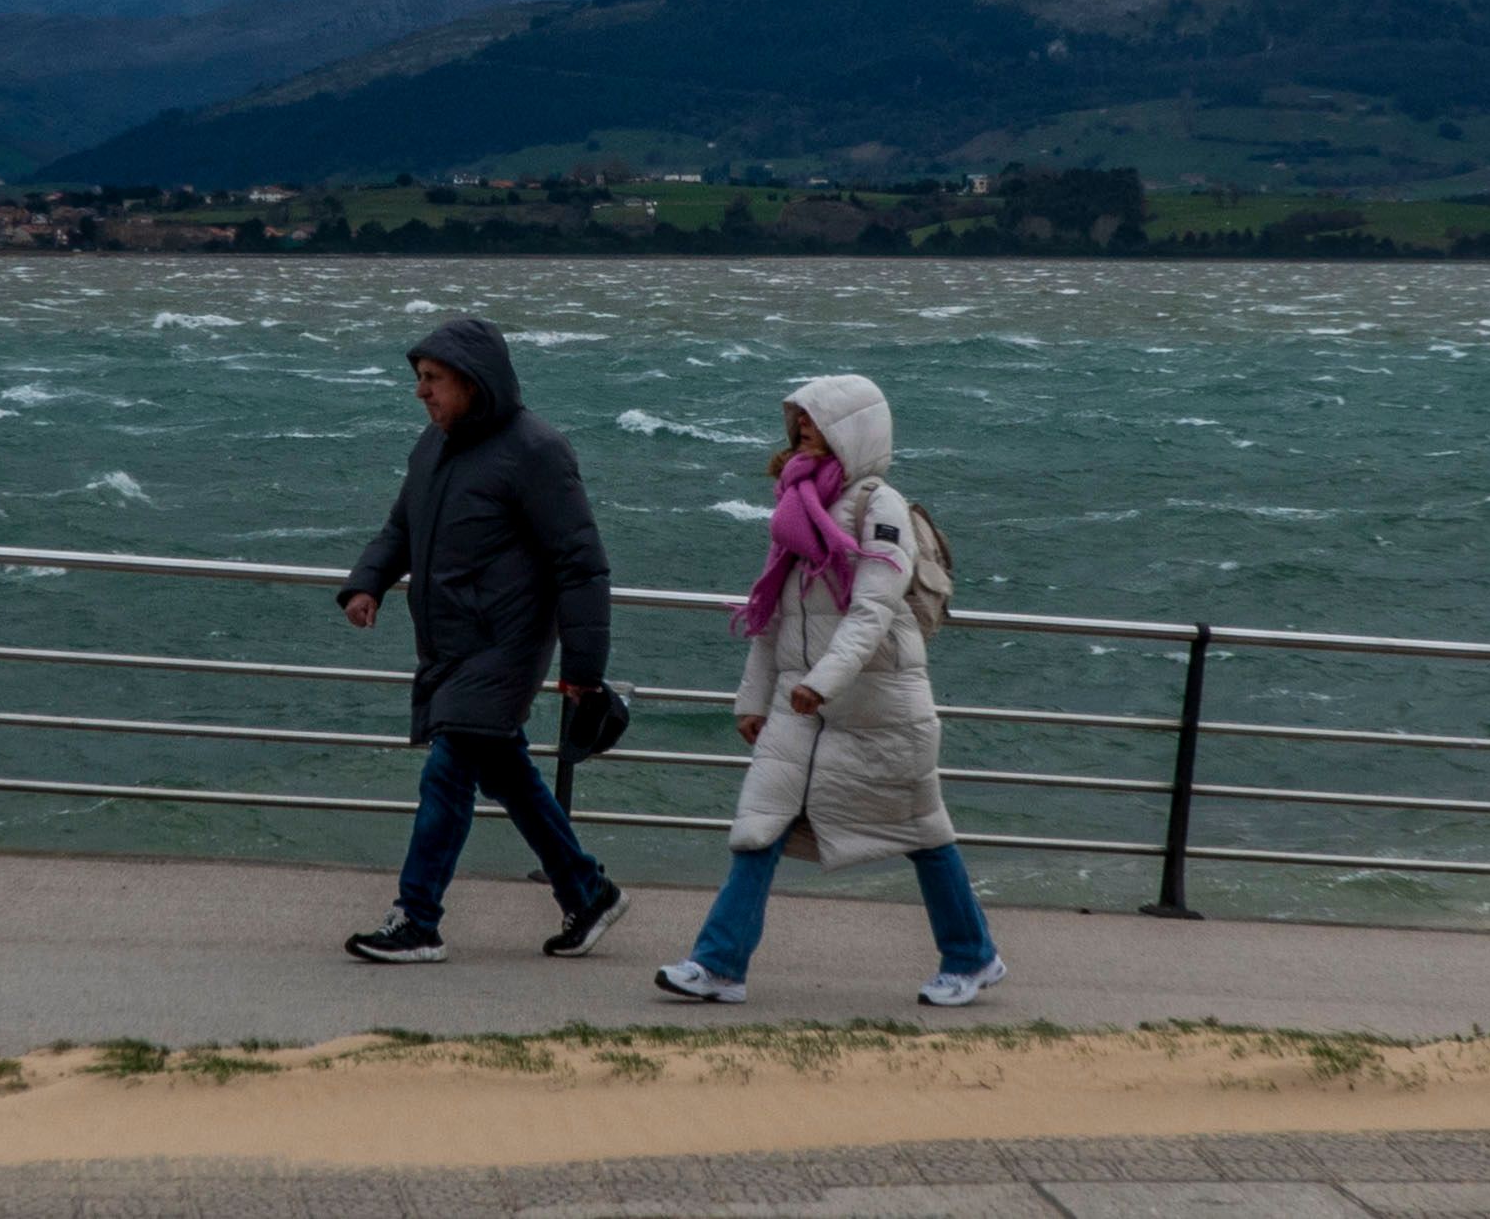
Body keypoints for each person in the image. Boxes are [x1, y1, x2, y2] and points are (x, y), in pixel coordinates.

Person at [653, 372, 1007, 1009]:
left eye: (816, 420)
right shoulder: (794, 506)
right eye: (799, 421)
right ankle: (719, 965)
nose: (802, 430)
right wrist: (753, 700)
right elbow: (772, 615)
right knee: (758, 826)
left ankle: (973, 957)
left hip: (882, 708)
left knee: (924, 833)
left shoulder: (882, 508)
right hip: (803, 706)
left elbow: (872, 611)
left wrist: (822, 683)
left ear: (856, 432)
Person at [335, 315, 625, 963]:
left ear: (473, 382)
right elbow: (399, 529)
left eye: (432, 380)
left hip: (507, 644)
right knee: (506, 773)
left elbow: (580, 563)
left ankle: (416, 919)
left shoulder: (536, 450)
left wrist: (583, 668)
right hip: (450, 644)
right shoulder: (431, 446)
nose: (421, 393)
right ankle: (587, 891)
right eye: (418, 379)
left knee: (448, 770)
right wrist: (367, 585)